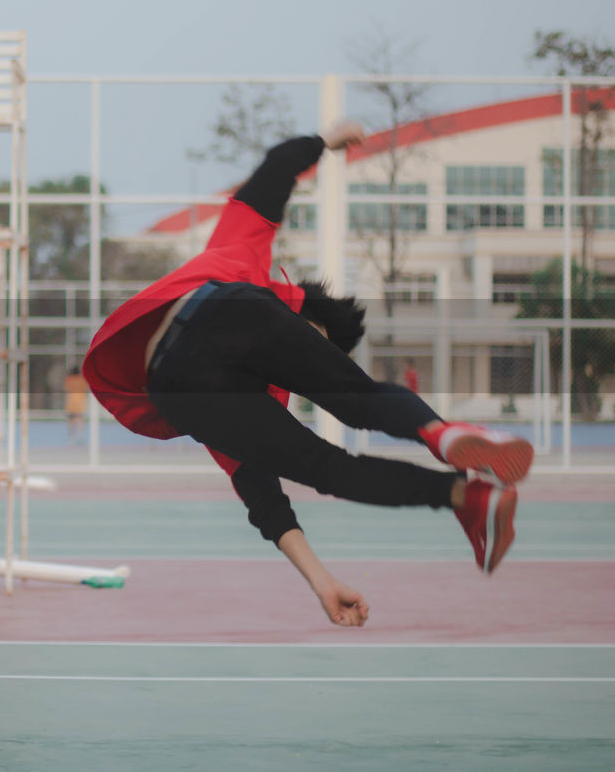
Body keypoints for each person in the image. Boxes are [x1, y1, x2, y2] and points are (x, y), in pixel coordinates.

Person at [82, 122, 533, 627]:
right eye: (312, 340)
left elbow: (265, 500)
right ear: (308, 317)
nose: (300, 366)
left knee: (331, 466)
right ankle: (442, 432)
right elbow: (278, 172)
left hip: (174, 389)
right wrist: (324, 141)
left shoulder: (259, 397)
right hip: (217, 311)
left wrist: (323, 583)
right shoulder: (255, 270)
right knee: (355, 396)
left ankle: (465, 494)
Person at [63, 366, 89, 442]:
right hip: (80, 400)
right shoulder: (82, 380)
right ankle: (80, 436)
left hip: (71, 400)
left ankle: (71, 436)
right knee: (80, 419)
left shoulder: (68, 379)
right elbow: (85, 389)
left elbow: (67, 389)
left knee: (70, 419)